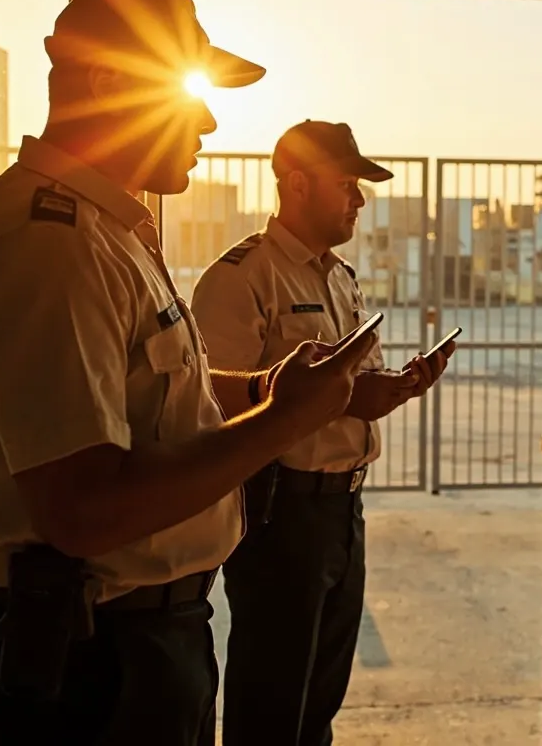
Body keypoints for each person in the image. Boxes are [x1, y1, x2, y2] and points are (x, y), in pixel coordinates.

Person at [0, 0, 378, 746]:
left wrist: (262, 387)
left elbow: (139, 391)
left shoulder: (105, 229)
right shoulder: (50, 246)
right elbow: (83, 510)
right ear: (109, 83)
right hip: (94, 668)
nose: (207, 119)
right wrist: (281, 423)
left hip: (135, 641)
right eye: (187, 90)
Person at [190, 120, 455, 746]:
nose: (360, 199)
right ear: (298, 184)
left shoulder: (340, 277)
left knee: (319, 701)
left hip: (342, 509)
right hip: (280, 510)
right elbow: (215, 405)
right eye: (347, 184)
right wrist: (341, 400)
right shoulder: (242, 278)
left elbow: (344, 388)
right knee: (273, 702)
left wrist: (389, 389)